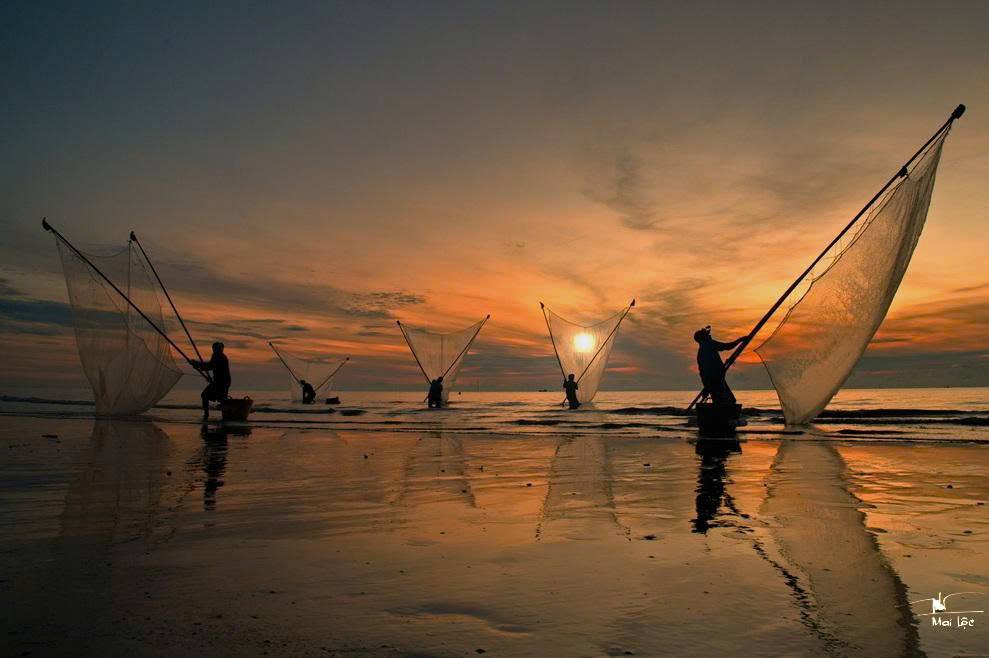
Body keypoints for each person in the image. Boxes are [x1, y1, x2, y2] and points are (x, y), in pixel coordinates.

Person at [694, 326, 746, 407]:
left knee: (726, 401)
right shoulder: (708, 344)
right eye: (707, 335)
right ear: (703, 338)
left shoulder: (702, 351)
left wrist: (706, 386)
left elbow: (702, 372)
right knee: (725, 401)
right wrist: (740, 340)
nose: (710, 336)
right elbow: (727, 346)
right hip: (715, 380)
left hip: (714, 380)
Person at [193, 342, 231, 420]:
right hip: (217, 382)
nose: (216, 350)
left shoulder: (222, 357)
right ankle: (207, 414)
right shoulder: (214, 355)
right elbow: (211, 366)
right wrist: (198, 365)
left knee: (220, 398)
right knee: (207, 396)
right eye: (214, 349)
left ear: (221, 349)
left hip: (223, 382)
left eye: (218, 349)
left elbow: (210, 366)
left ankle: (226, 415)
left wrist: (197, 364)